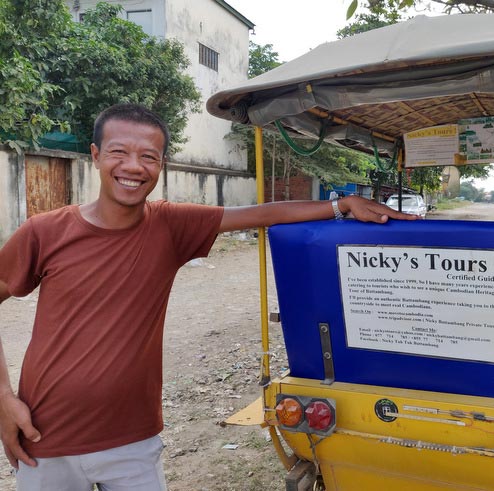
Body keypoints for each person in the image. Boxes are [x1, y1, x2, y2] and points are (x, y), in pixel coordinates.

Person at [0, 103, 416, 490]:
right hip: (45, 435)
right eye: (118, 152)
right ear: (94, 155)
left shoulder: (170, 225)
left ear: (162, 164)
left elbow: (261, 214)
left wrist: (342, 205)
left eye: (149, 156)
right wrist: (3, 398)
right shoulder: (45, 232)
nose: (133, 166)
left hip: (132, 439)